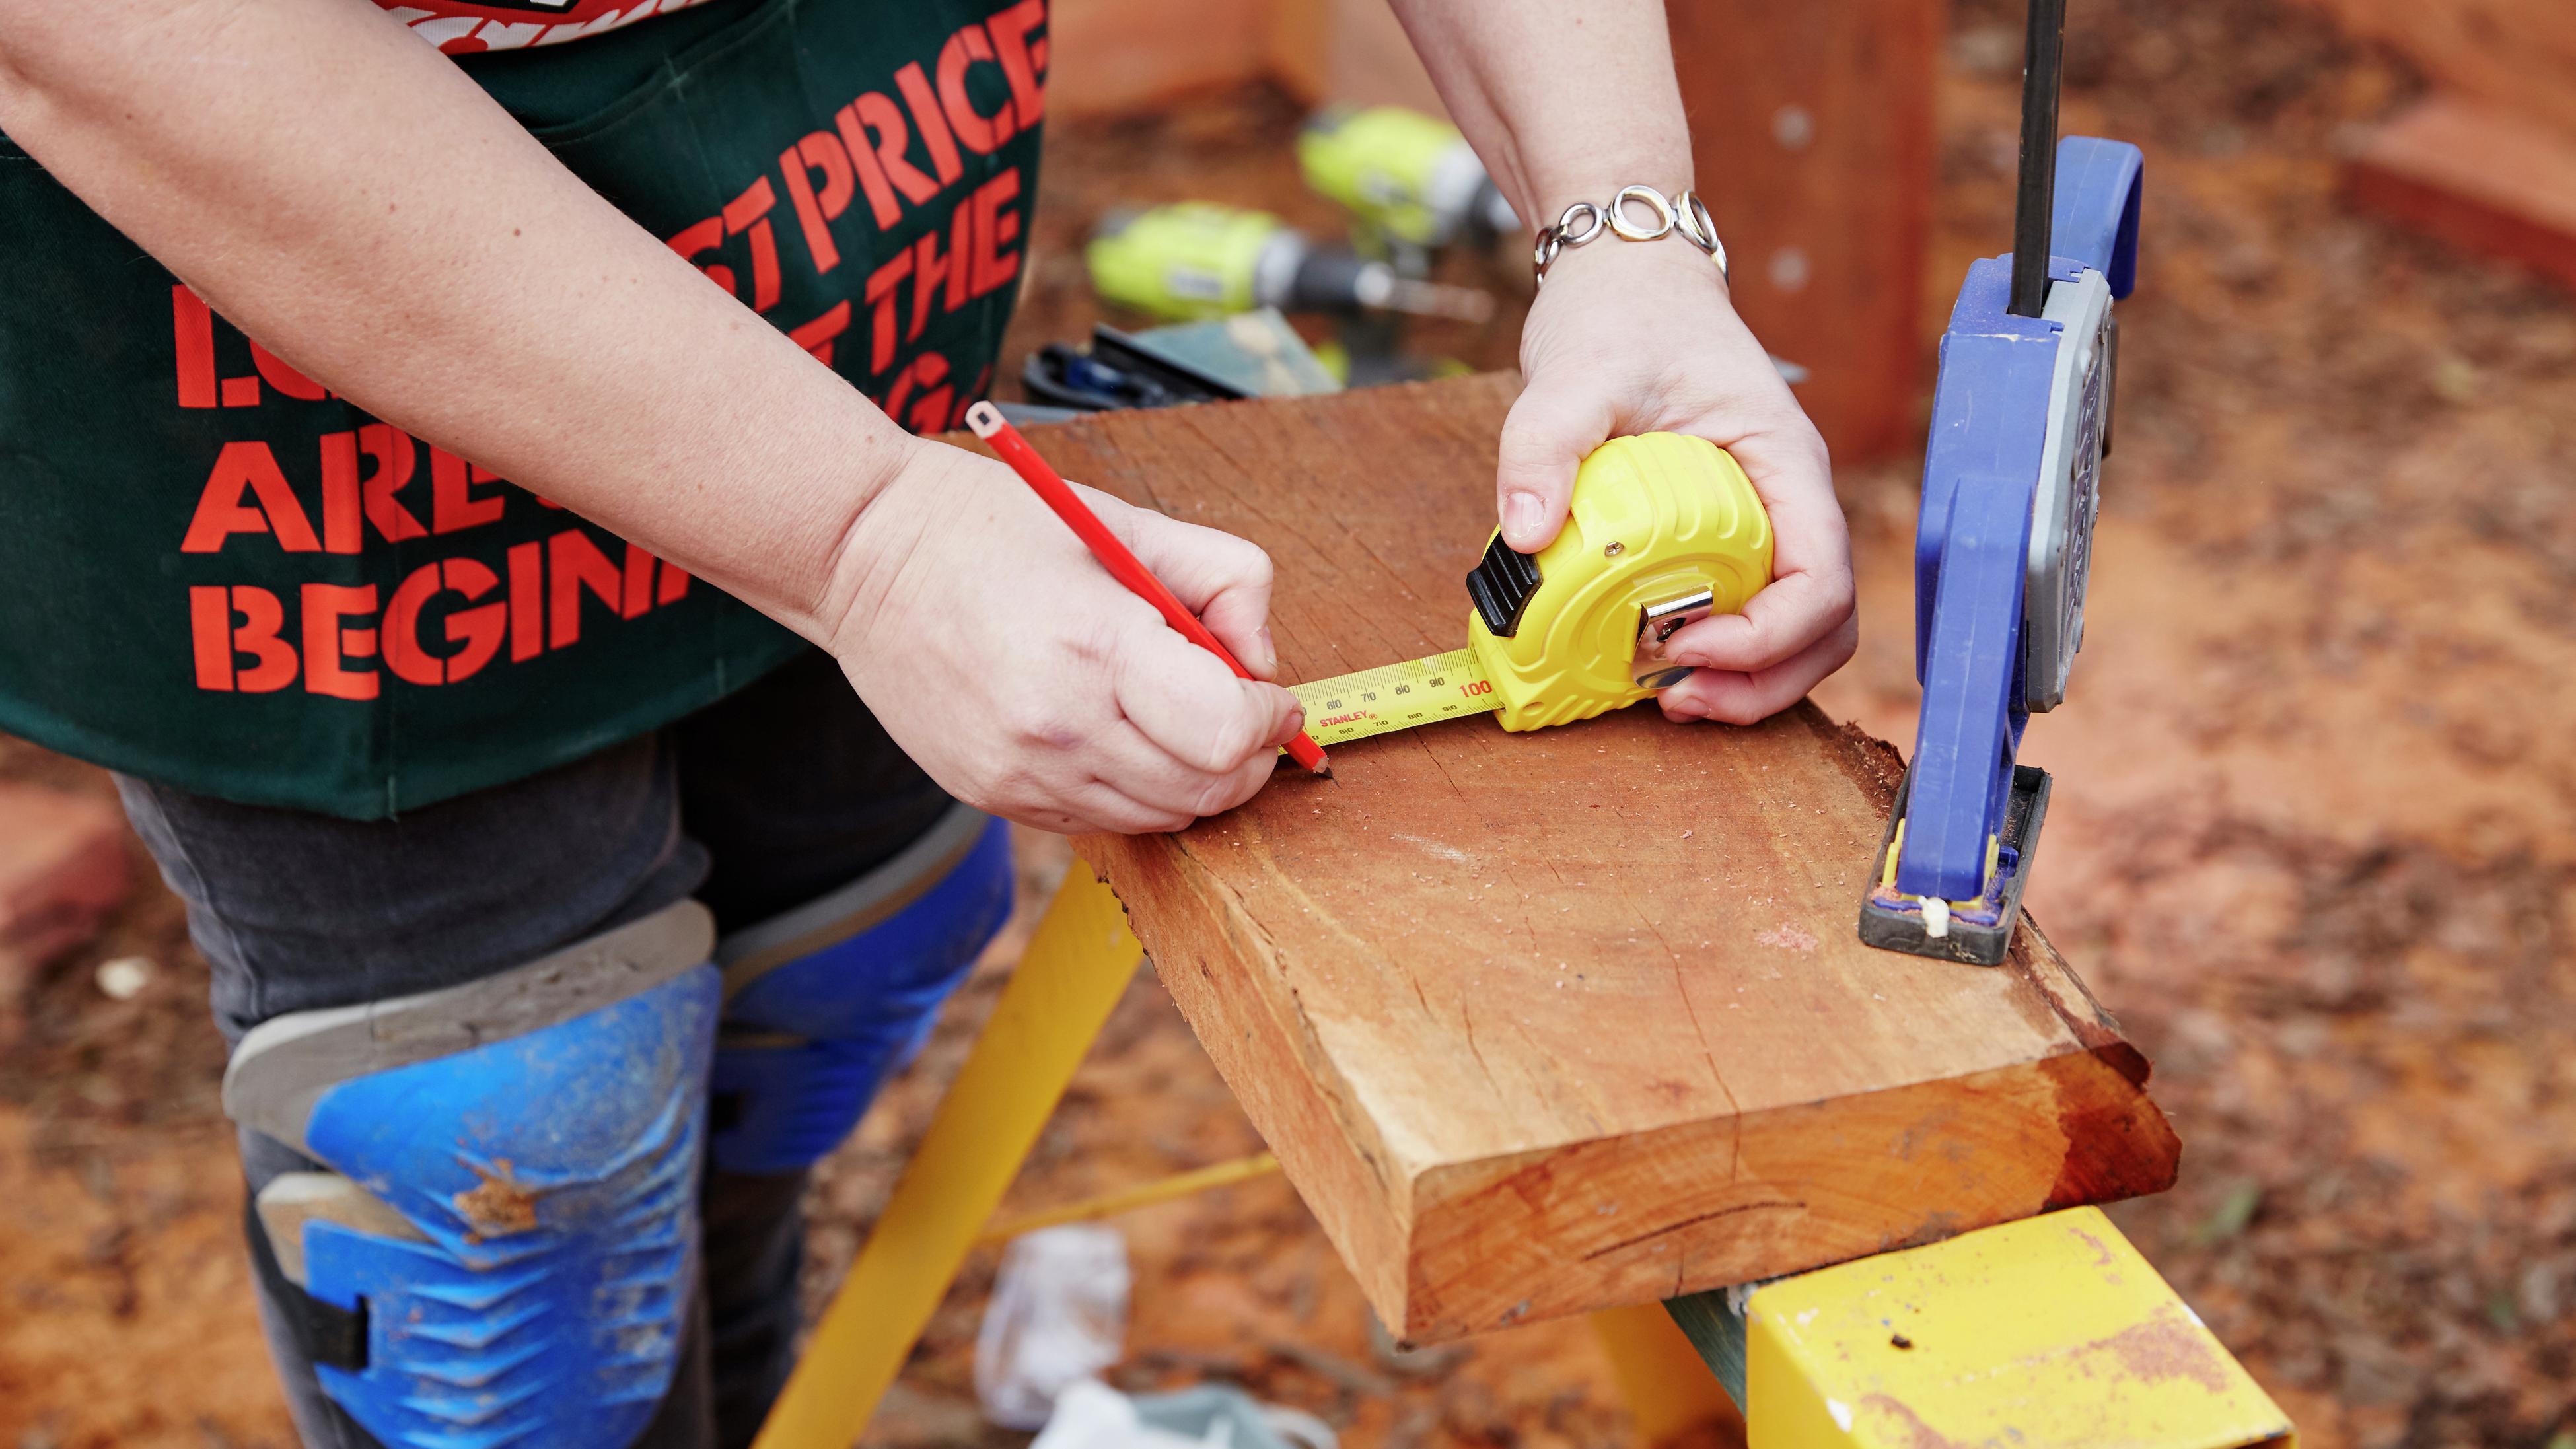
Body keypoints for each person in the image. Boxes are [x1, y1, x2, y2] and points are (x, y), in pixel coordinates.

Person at [0, 1, 1855, 1446]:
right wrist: (861, 537)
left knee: (838, 935)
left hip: (834, 133)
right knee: (503, 1146)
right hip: (261, 192)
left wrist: (1622, 229)